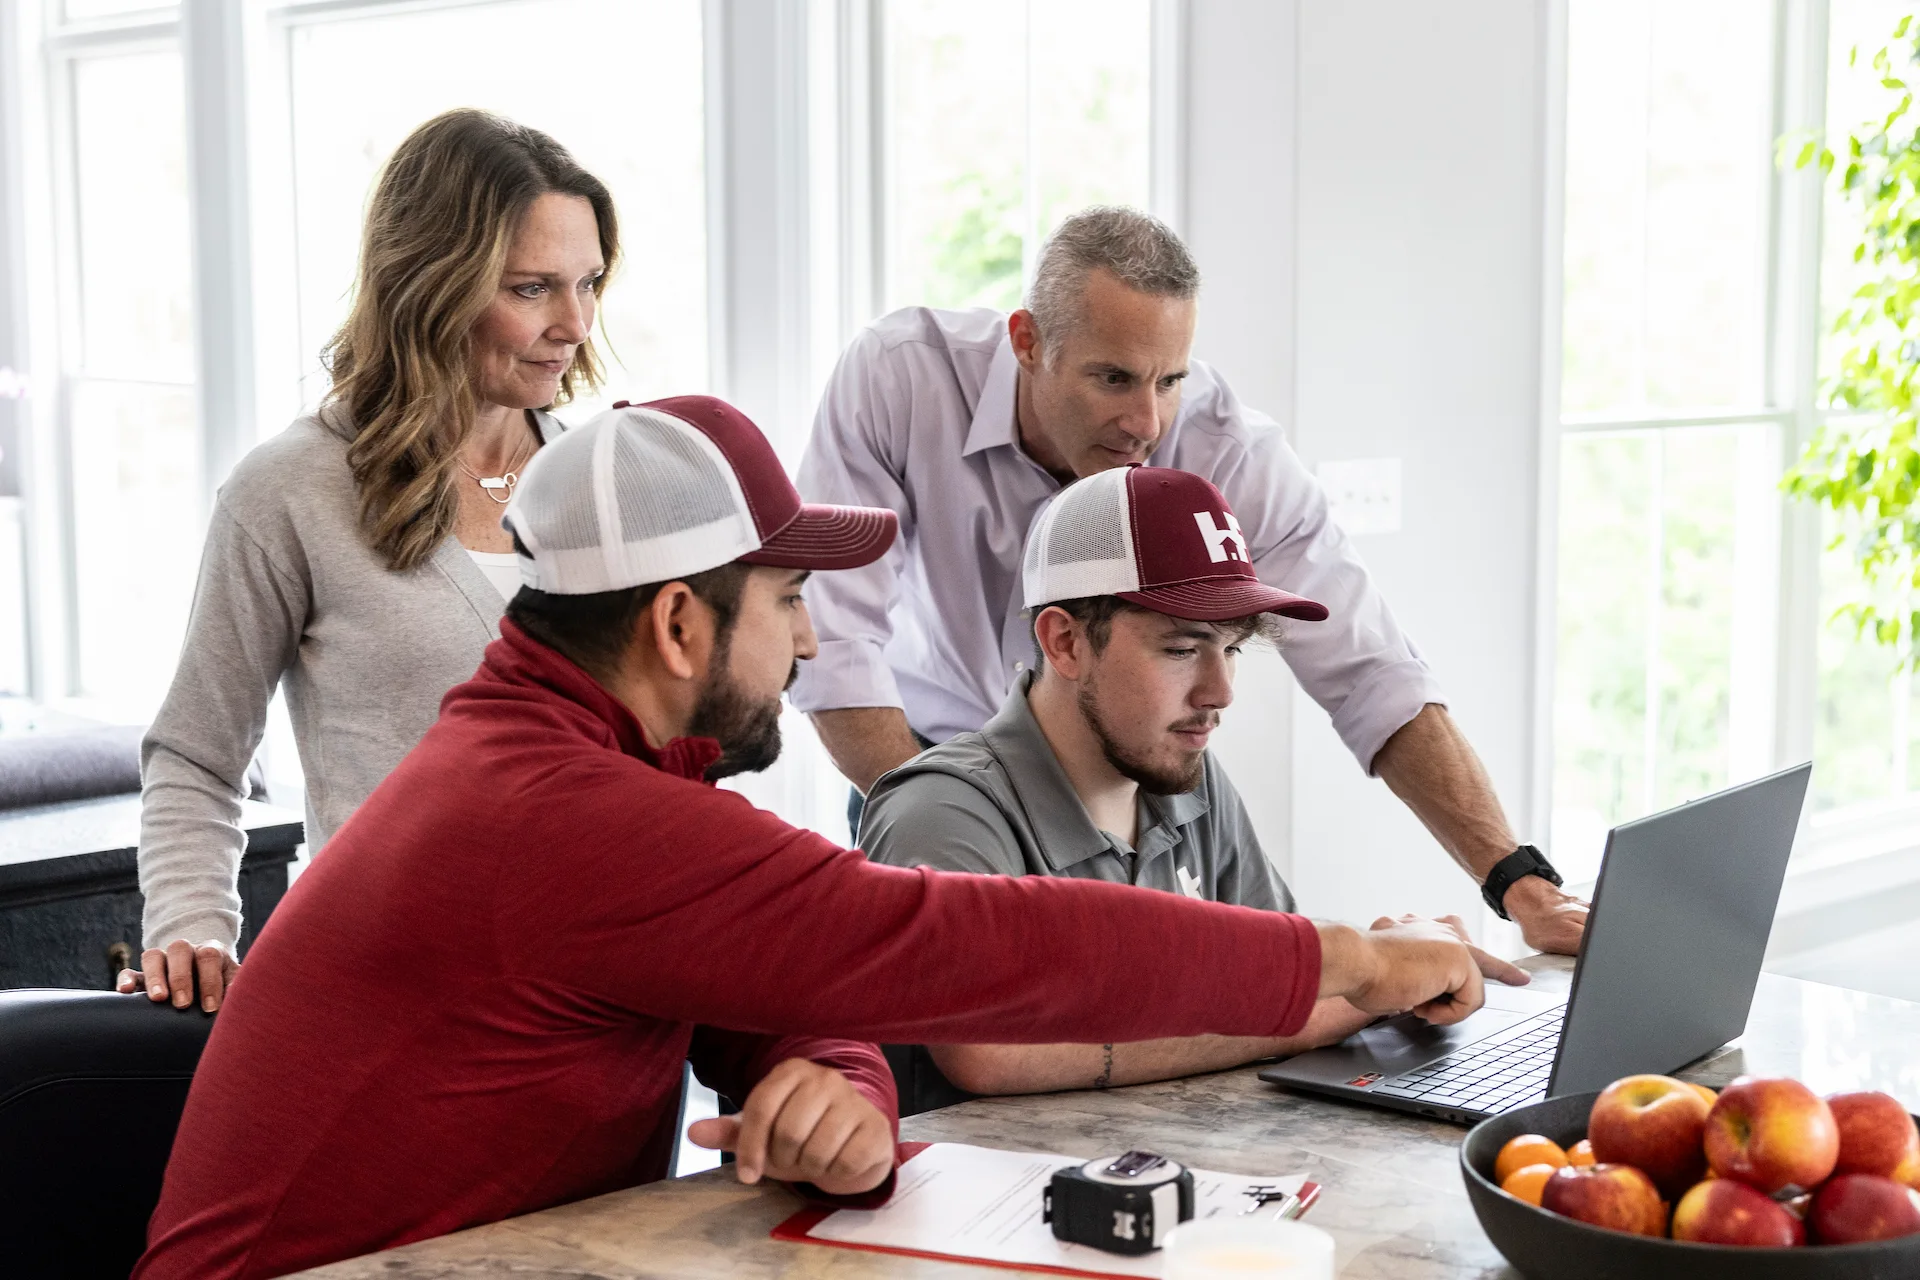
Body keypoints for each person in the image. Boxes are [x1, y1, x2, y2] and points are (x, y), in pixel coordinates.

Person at [134, 397, 1490, 1280]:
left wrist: (840, 1082)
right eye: (787, 596)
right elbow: (945, 943)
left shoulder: (579, 776)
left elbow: (800, 987)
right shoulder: (557, 816)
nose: (815, 639)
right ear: (678, 626)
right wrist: (1345, 963)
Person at [792, 206, 1588, 955]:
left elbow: (1368, 668)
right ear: (1028, 342)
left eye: (1169, 379)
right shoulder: (901, 379)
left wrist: (1515, 878)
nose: (1148, 425)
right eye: (1113, 379)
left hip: (1127, 774)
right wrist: (948, 814)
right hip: (924, 764)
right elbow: (835, 641)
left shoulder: (1227, 446)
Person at [124, 109, 616, 1011]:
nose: (576, 323)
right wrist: (192, 925)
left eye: (589, 282)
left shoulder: (606, 481)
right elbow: (196, 752)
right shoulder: (290, 489)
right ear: (432, 285)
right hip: (391, 990)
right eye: (533, 288)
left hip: (598, 995)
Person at [860, 465, 1530, 1113]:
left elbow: (1281, 976)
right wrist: (1370, 983)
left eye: (1231, 648)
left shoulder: (1186, 773)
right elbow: (992, 1050)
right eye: (1182, 649)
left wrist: (1384, 962)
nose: (1221, 692)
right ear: (1064, 642)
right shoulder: (940, 809)